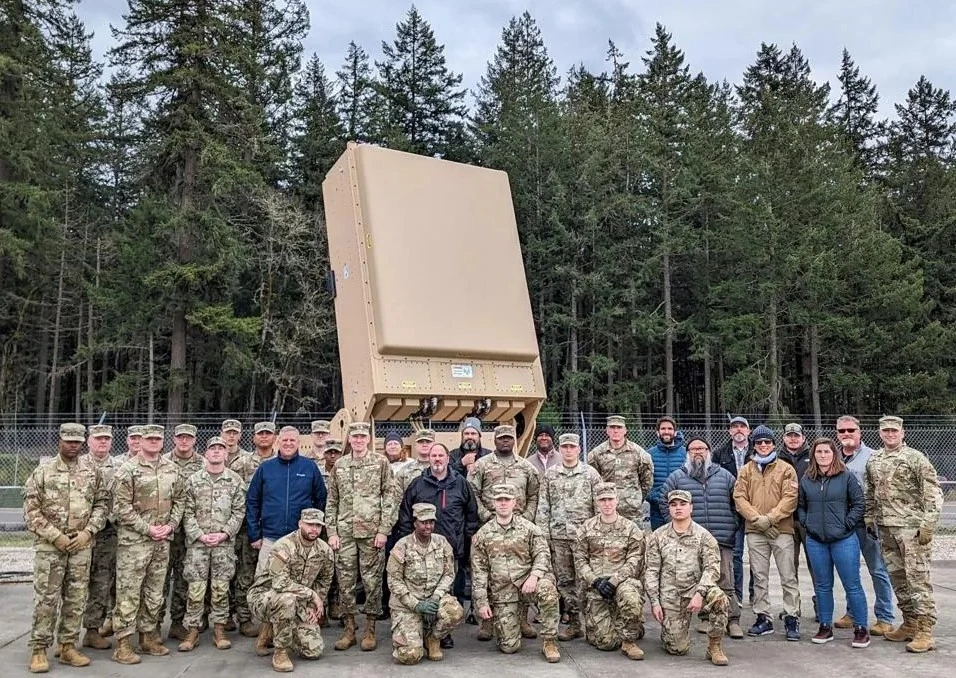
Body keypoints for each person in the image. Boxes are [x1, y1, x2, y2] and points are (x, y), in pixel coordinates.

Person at [24, 423, 110, 673]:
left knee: (75, 598)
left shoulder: (92, 471)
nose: (73, 445)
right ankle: (39, 648)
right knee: (47, 600)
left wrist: (88, 532)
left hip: (81, 546)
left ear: (83, 443)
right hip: (50, 548)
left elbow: (102, 504)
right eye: (68, 441)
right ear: (59, 441)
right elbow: (31, 511)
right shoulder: (43, 472)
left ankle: (68, 645)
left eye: (77, 441)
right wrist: (56, 537)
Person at [865, 415, 943, 653]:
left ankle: (925, 630)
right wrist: (869, 517)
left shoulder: (915, 458)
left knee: (917, 580)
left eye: (894, 431)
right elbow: (870, 490)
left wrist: (928, 523)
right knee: (898, 579)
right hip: (886, 528)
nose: (890, 434)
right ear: (879, 433)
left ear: (902, 432)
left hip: (911, 529)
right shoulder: (875, 459)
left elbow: (933, 491)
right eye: (885, 431)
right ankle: (909, 622)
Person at [111, 424, 185, 664]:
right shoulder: (128, 470)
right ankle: (123, 643)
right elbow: (120, 508)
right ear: (140, 441)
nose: (154, 442)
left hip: (162, 541)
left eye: (157, 439)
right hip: (135, 543)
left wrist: (171, 525)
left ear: (163, 442)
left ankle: (148, 636)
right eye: (149, 438)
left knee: (155, 592)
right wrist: (147, 528)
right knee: (129, 592)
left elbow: (180, 500)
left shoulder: (171, 468)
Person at [660, 437, 743, 639]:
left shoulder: (724, 476)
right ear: (687, 453)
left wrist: (733, 526)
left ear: (709, 451)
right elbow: (664, 501)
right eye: (693, 449)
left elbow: (738, 504)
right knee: (698, 581)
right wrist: (677, 529)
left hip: (721, 538)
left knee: (725, 581)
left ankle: (732, 621)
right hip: (690, 541)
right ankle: (706, 618)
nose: (698, 452)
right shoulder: (678, 477)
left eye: (702, 448)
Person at [397, 442, 479, 648]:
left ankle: (443, 633)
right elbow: (406, 515)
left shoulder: (460, 483)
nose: (437, 459)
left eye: (441, 455)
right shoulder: (418, 484)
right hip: (421, 551)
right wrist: (409, 544)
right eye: (433, 456)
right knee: (423, 590)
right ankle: (421, 628)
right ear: (429, 458)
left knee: (449, 593)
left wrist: (467, 540)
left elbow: (471, 514)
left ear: (448, 459)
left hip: (451, 548)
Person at [325, 421, 397, 651]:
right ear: (350, 440)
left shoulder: (380, 463)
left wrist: (384, 530)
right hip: (345, 533)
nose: (358, 441)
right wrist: (332, 532)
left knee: (372, 582)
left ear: (368, 439)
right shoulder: (340, 465)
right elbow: (332, 501)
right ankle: (349, 629)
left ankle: (370, 629)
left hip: (372, 534)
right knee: (345, 582)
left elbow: (391, 498)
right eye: (354, 437)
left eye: (361, 437)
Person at [470, 484, 561, 663]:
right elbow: (478, 572)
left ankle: (550, 642)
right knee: (509, 647)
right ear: (493, 504)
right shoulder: (483, 535)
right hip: (504, 591)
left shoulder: (529, 529)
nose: (503, 503)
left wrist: (534, 577)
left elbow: (543, 555)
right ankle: (513, 618)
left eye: (507, 500)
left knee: (548, 592)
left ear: (514, 503)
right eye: (499, 500)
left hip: (529, 583)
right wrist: (481, 603)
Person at [468, 424, 541, 641]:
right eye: (501, 438)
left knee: (521, 571)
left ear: (514, 441)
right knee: (489, 572)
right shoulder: (482, 465)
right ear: (495, 441)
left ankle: (522, 619)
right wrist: (486, 517)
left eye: (509, 438)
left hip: (519, 528)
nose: (506, 441)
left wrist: (526, 518)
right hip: (491, 527)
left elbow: (535, 494)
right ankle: (487, 621)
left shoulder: (527, 467)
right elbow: (472, 493)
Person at [797, 438, 869, 648]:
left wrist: (846, 525)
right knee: (822, 585)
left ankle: (861, 628)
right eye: (818, 452)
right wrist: (806, 523)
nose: (822, 455)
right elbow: (800, 506)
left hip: (844, 540)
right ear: (814, 456)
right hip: (816, 541)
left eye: (826, 452)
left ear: (833, 454)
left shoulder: (846, 476)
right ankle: (825, 626)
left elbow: (859, 504)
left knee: (852, 585)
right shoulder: (807, 479)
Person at [645, 490, 730, 666]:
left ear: (691, 508)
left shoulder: (704, 536)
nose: (678, 508)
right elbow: (652, 571)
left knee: (720, 599)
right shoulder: (657, 536)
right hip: (671, 594)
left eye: (682, 504)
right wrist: (654, 601)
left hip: (697, 588)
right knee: (676, 648)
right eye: (674, 505)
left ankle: (714, 646)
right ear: (669, 509)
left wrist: (700, 593)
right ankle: (673, 632)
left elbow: (712, 569)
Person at [178, 437, 247, 652]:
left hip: (223, 545)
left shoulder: (235, 481)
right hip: (198, 545)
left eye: (221, 449)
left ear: (227, 454)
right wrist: (199, 535)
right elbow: (186, 512)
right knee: (196, 589)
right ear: (205, 453)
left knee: (220, 588)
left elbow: (239, 512)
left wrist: (224, 534)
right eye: (212, 448)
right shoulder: (193, 481)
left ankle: (219, 628)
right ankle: (192, 630)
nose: (216, 452)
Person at [733, 424, 800, 640]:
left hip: (782, 530)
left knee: (788, 575)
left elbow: (790, 499)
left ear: (773, 444)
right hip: (755, 531)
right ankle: (763, 617)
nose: (763, 445)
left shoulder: (786, 468)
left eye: (767, 442)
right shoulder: (746, 470)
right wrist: (757, 520)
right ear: (754, 445)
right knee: (759, 576)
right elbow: (739, 498)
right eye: (759, 442)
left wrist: (770, 519)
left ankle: (792, 616)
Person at [249, 508, 335, 672]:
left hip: (298, 600)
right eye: (310, 525)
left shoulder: (325, 551)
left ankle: (276, 629)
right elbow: (280, 583)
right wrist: (311, 595)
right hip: (265, 597)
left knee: (313, 650)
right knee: (286, 599)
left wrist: (312, 606)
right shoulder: (284, 546)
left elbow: (324, 581)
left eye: (318, 526)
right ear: (300, 523)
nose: (314, 529)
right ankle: (280, 652)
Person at [536, 433, 601, 641]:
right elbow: (543, 506)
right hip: (559, 536)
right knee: (565, 582)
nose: (569, 450)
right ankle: (574, 623)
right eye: (565, 447)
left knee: (587, 581)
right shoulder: (551, 474)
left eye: (572, 447)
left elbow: (599, 507)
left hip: (584, 538)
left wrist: (595, 535)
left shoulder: (590, 474)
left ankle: (592, 624)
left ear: (579, 449)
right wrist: (544, 536)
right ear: (560, 449)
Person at [572, 483, 647, 660]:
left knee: (630, 596)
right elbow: (580, 560)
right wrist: (595, 581)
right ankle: (621, 624)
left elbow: (635, 560)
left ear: (617, 501)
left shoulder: (631, 528)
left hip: (622, 582)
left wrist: (615, 579)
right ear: (597, 502)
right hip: (596, 586)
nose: (607, 504)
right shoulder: (586, 528)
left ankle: (629, 640)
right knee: (606, 643)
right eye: (602, 500)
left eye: (610, 499)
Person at [835, 415, 895, 636]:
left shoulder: (873, 457)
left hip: (869, 523)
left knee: (878, 570)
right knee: (850, 571)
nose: (846, 434)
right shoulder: (833, 458)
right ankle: (853, 612)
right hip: (844, 524)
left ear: (859, 432)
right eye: (842, 431)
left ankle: (885, 617)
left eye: (851, 430)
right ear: (837, 434)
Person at [386, 503, 464, 664]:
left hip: (434, 599)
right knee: (410, 656)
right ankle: (415, 633)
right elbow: (394, 581)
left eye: (431, 522)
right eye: (424, 522)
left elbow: (449, 574)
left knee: (454, 611)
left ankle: (433, 638)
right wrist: (416, 605)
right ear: (415, 523)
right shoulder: (402, 546)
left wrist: (436, 597)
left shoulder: (442, 543)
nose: (428, 526)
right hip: (408, 604)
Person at [246, 425, 327, 573]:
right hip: (270, 538)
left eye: (292, 440)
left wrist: (312, 529)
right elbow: (252, 502)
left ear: (298, 443)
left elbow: (321, 500)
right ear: (277, 442)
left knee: (297, 581)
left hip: (300, 539)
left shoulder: (309, 467)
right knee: (265, 580)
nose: (288, 443)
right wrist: (254, 534)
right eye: (284, 440)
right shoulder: (266, 468)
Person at [229, 421, 276, 639]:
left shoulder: (281, 461)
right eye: (260, 434)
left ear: (274, 437)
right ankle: (245, 618)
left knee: (276, 573)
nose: (264, 437)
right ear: (254, 438)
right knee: (245, 574)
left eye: (268, 434)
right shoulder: (241, 463)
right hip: (248, 528)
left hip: (275, 528)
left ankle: (274, 616)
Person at [80, 424, 122, 650]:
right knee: (74, 584)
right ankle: (65, 635)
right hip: (81, 534)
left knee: (101, 582)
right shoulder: (78, 465)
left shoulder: (119, 467)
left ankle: (93, 630)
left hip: (108, 532)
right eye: (98, 438)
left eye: (106, 438)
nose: (102, 442)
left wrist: (108, 519)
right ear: (89, 441)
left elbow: (123, 499)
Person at [162, 423, 203, 642]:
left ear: (194, 440)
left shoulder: (203, 463)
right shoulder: (164, 462)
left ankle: (177, 623)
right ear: (174, 439)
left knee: (183, 579)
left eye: (188, 437)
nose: (184, 441)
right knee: (159, 580)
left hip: (191, 531)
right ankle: (154, 626)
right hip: (167, 529)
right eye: (180, 437)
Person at [712, 415, 753, 604]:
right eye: (734, 427)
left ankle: (755, 594)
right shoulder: (720, 453)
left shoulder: (758, 450)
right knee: (735, 554)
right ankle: (737, 595)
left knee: (756, 554)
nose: (738, 430)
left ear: (748, 431)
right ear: (729, 431)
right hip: (731, 510)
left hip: (755, 509)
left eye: (742, 427)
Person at [586, 415, 653, 527]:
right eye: (612, 427)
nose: (615, 431)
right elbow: (593, 481)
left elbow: (647, 481)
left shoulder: (638, 453)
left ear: (625, 430)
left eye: (619, 427)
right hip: (606, 510)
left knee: (634, 542)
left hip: (631, 511)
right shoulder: (597, 454)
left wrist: (635, 499)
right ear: (607, 430)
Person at [780, 422, 815, 606]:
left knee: (816, 565)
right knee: (789, 568)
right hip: (786, 520)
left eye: (796, 436)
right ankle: (793, 607)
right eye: (789, 435)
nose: (793, 439)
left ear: (803, 437)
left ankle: (820, 605)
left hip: (809, 518)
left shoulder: (814, 456)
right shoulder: (777, 458)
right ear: (784, 438)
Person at [646, 416, 686, 530]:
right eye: (663, 429)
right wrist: (653, 497)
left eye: (669, 428)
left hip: (680, 507)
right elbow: (643, 480)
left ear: (675, 432)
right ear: (657, 432)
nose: (666, 432)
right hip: (657, 510)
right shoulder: (649, 454)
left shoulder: (685, 454)